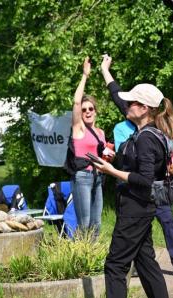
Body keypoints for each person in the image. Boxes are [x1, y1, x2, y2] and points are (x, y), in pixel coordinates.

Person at [93, 54, 173, 298]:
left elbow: (143, 180)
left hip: (136, 207)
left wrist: (110, 171)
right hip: (136, 207)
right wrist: (106, 71)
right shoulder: (141, 128)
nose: (126, 105)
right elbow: (118, 96)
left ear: (144, 109)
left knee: (116, 264)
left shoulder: (147, 140)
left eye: (132, 103)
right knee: (145, 261)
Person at [113, 117, 173, 277]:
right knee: (139, 230)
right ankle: (136, 265)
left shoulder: (167, 141)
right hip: (139, 192)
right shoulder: (136, 135)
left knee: (168, 223)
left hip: (159, 191)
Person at [68, 57, 112, 238]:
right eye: (84, 109)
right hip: (82, 177)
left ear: (96, 111)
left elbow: (103, 157)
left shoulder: (100, 133)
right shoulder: (78, 128)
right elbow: (76, 102)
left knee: (96, 222)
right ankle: (79, 258)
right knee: (84, 221)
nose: (87, 112)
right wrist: (85, 75)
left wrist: (110, 156)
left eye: (90, 109)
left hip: (98, 177)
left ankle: (91, 257)